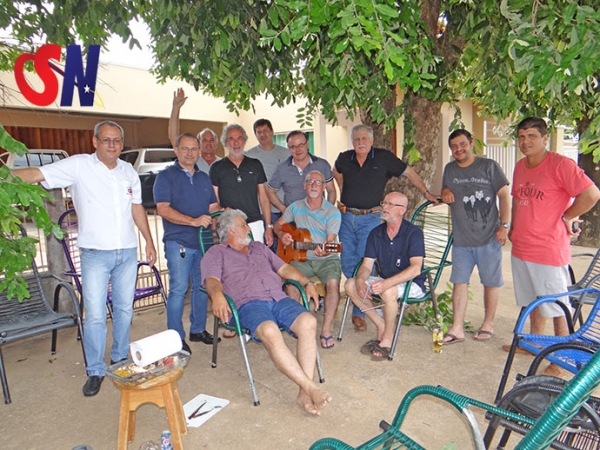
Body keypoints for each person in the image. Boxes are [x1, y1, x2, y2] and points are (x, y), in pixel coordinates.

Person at [15, 120, 157, 397]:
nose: (112, 145)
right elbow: (37, 173)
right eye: (106, 139)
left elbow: (137, 207)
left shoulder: (128, 171)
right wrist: (7, 178)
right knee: (93, 315)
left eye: (117, 140)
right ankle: (94, 369)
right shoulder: (80, 165)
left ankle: (119, 357)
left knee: (124, 310)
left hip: (126, 252)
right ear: (95, 142)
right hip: (94, 254)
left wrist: (149, 241)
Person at [201, 210, 332, 415]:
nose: (248, 228)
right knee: (271, 331)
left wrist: (307, 282)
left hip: (278, 299)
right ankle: (310, 388)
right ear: (230, 231)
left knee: (308, 321)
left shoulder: (259, 247)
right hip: (249, 305)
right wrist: (217, 296)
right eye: (244, 225)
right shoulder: (216, 253)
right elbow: (211, 281)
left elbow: (284, 270)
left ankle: (304, 392)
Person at [508, 117, 600, 375]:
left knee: (559, 306)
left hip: (548, 249)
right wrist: (513, 227)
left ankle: (562, 361)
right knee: (534, 301)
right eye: (522, 136)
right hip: (522, 247)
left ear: (545, 138)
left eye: (532, 136)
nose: (526, 141)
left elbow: (592, 194)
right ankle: (535, 343)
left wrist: (567, 216)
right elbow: (517, 201)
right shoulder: (520, 167)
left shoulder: (560, 164)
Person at [333, 124, 438, 332]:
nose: (360, 142)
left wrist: (426, 193)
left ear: (371, 141)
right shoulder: (345, 158)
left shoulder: (383, 158)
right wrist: (342, 190)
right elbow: (335, 172)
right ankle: (364, 304)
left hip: (370, 218)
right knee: (347, 263)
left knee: (367, 263)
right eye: (356, 139)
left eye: (364, 138)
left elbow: (409, 173)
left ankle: (360, 312)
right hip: (346, 218)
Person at [441, 129, 510, 345]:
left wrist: (504, 226)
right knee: (459, 282)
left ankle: (488, 324)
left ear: (471, 143)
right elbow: (445, 190)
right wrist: (444, 193)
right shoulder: (450, 169)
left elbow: (505, 195)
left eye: (462, 144)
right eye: (454, 146)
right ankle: (457, 328)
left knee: (491, 282)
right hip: (461, 238)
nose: (458, 149)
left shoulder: (488, 166)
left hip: (488, 236)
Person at [153, 133, 220, 354]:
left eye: (194, 149)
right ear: (176, 150)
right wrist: (192, 221)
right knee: (179, 289)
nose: (190, 153)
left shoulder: (203, 178)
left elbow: (212, 208)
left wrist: (223, 213)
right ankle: (175, 338)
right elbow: (162, 209)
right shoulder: (165, 176)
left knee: (202, 288)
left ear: (199, 151)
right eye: (185, 149)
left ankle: (198, 330)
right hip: (178, 242)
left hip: (202, 243)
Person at [344, 191, 426, 361]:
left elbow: (416, 269)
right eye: (384, 203)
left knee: (388, 292)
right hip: (385, 279)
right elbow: (367, 265)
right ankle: (381, 324)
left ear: (402, 210)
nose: (384, 207)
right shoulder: (376, 233)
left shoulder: (414, 233)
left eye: (390, 204)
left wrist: (387, 284)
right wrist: (360, 280)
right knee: (350, 284)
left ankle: (387, 339)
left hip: (412, 283)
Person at [274, 170, 342, 349]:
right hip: (300, 259)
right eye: (310, 181)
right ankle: (299, 324)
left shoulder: (332, 212)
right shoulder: (295, 207)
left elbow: (330, 240)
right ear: (304, 186)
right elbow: (277, 225)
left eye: (318, 182)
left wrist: (325, 250)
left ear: (323, 188)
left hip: (326, 259)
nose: (314, 185)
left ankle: (326, 330)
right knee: (291, 284)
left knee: (333, 284)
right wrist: (282, 235)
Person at [210, 123, 273, 246]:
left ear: (244, 141)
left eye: (239, 138)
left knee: (256, 261)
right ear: (225, 143)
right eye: (231, 139)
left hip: (254, 223)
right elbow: (214, 202)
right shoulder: (217, 168)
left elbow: (264, 198)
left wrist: (268, 227)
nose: (236, 143)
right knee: (233, 263)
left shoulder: (255, 164)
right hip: (229, 226)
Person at [245, 119, 290, 249]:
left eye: (265, 131)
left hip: (284, 210)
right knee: (266, 249)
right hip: (261, 212)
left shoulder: (286, 153)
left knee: (285, 249)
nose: (262, 134)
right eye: (259, 132)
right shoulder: (249, 155)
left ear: (272, 132)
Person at [267, 130, 337, 212]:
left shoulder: (322, 165)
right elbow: (270, 191)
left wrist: (327, 211)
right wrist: (284, 210)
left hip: (318, 218)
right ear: (288, 148)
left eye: (300, 145)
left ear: (307, 144)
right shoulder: (282, 168)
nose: (297, 149)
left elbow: (331, 190)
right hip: (293, 220)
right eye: (293, 147)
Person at [168, 88, 221, 173]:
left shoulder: (223, 164)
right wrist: (176, 108)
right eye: (204, 140)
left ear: (216, 143)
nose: (208, 143)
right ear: (198, 144)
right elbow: (174, 138)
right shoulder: (191, 159)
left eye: (212, 140)